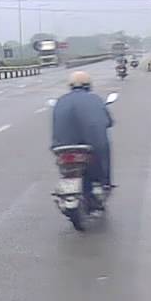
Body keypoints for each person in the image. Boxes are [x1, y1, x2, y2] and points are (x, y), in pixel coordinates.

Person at [51, 70, 114, 213]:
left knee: (67, 169)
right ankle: (103, 184)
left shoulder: (61, 101)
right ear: (88, 85)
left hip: (62, 147)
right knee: (103, 152)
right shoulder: (95, 99)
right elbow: (108, 121)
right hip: (90, 146)